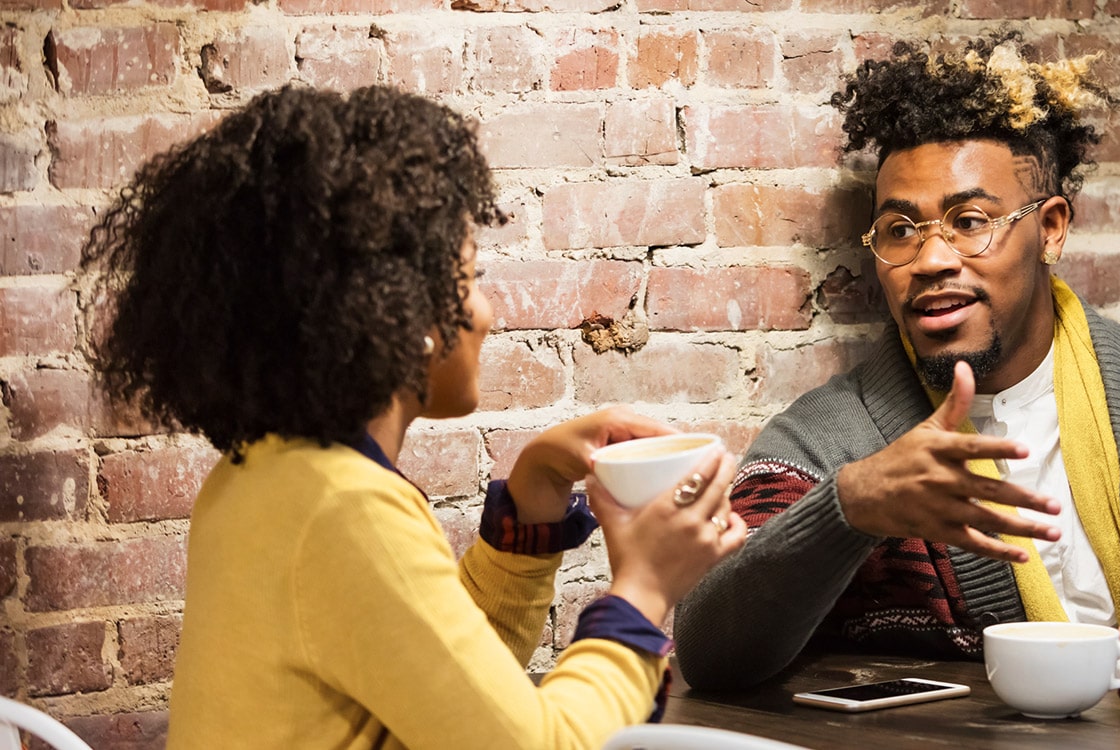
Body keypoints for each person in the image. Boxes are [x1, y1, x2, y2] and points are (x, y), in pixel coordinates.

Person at [672, 36, 1120, 716]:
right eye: (899, 230)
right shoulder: (827, 442)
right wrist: (848, 509)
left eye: (969, 221)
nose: (931, 258)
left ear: (1050, 230)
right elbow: (707, 652)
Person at [79, 84, 747, 749]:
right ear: (404, 315)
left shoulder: (259, 477)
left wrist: (532, 499)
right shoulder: (344, 510)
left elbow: (454, 702)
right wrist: (646, 589)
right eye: (468, 278)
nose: (486, 312)